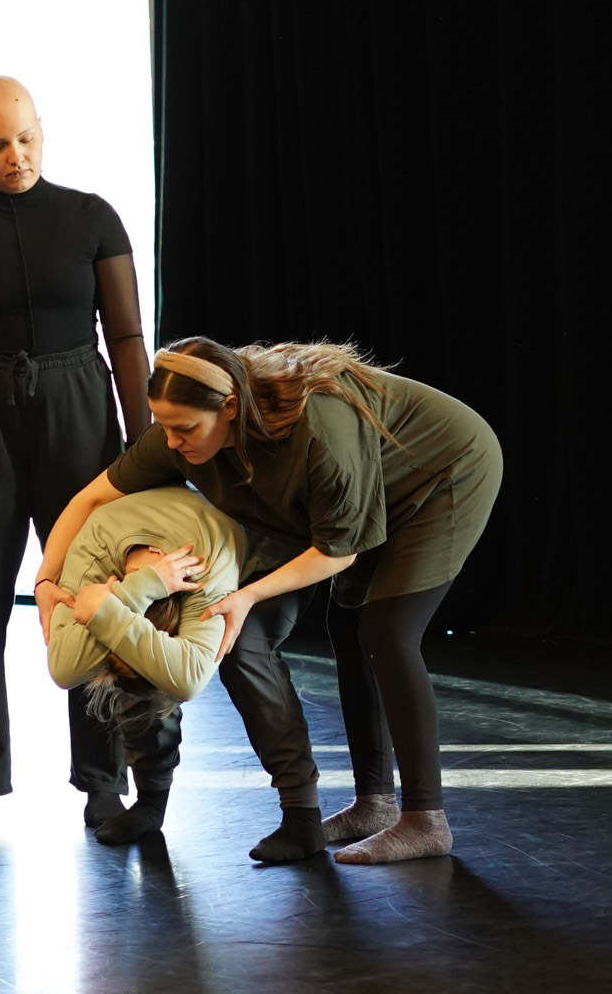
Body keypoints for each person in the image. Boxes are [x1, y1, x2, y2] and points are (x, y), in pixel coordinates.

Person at [38, 338, 502, 864]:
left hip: (440, 476)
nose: (170, 442)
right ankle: (373, 803)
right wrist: (45, 584)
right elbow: (91, 496)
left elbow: (337, 552)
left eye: (185, 429)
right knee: (333, 633)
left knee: (386, 633)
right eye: (162, 426)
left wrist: (248, 594)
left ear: (229, 407)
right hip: (350, 501)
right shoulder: (182, 437)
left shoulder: (316, 431)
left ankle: (425, 819)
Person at [0, 76, 153, 836]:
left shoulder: (92, 218)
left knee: (94, 597)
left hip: (79, 404)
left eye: (25, 139)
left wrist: (146, 448)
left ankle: (103, 780)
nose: (14, 157)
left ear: (41, 130)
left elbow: (129, 340)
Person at [43, 485, 251, 843]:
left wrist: (108, 607)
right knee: (136, 670)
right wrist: (136, 590)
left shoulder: (208, 567)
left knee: (162, 677)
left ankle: (153, 801)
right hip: (120, 519)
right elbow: (63, 669)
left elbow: (188, 680)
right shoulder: (92, 552)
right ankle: (149, 801)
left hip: (245, 529)